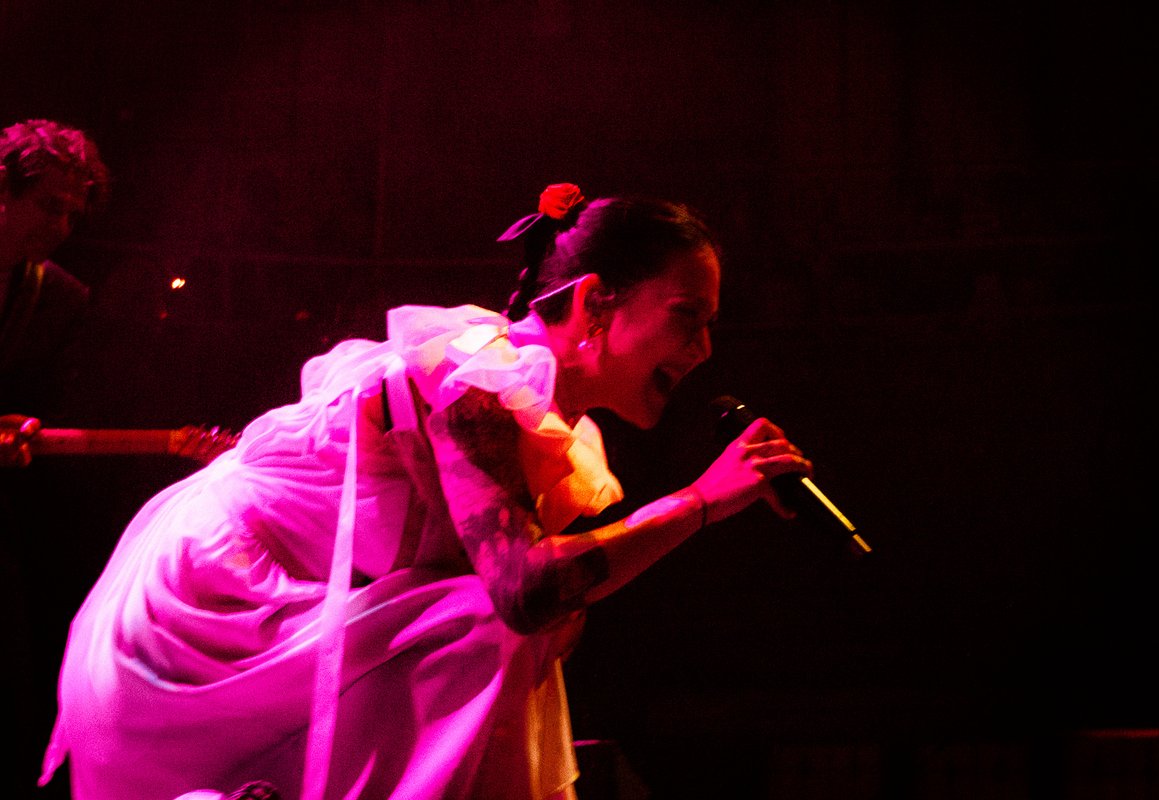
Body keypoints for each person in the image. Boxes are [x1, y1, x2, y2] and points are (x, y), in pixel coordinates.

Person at [40, 182, 813, 800]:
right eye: (688, 318)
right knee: (497, 626)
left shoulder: (555, 429)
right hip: (216, 615)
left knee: (503, 628)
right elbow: (523, 589)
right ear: (597, 301)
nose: (705, 348)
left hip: (303, 605)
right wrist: (702, 501)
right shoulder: (475, 378)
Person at [1, 119, 110, 466]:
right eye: (51, 207)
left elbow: (43, 408)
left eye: (72, 216)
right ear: (3, 186)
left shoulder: (61, 297)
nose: (62, 228)